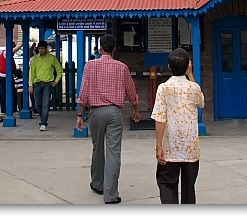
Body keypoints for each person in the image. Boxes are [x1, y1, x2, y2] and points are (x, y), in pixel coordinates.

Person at [76, 33, 140, 204]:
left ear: (100, 47)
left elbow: (84, 92)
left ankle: (97, 183)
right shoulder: (122, 67)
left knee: (97, 148)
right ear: (114, 49)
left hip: (96, 112)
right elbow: (131, 91)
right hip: (114, 112)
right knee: (113, 152)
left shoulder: (90, 66)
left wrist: (79, 114)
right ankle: (110, 194)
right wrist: (135, 109)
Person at [151, 48, 205, 204]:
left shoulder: (164, 88)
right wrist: (191, 75)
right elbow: (201, 102)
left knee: (167, 183)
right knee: (189, 187)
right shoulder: (194, 87)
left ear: (169, 67)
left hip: (170, 146)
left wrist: (158, 146)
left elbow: (160, 118)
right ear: (188, 65)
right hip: (190, 147)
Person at [29, 40, 63, 132]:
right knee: (37, 104)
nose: (41, 50)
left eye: (42, 48)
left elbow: (59, 70)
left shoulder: (52, 58)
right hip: (37, 84)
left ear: (46, 49)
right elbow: (32, 72)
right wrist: (30, 85)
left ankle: (43, 123)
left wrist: (56, 81)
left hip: (48, 84)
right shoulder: (35, 59)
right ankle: (43, 117)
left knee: (45, 104)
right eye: (39, 49)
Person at [0, 41, 22, 115]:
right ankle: (13, 109)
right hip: (5, 75)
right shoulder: (6, 52)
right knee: (12, 91)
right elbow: (14, 50)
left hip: (2, 75)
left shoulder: (5, 54)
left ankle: (4, 109)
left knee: (3, 92)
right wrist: (21, 44)